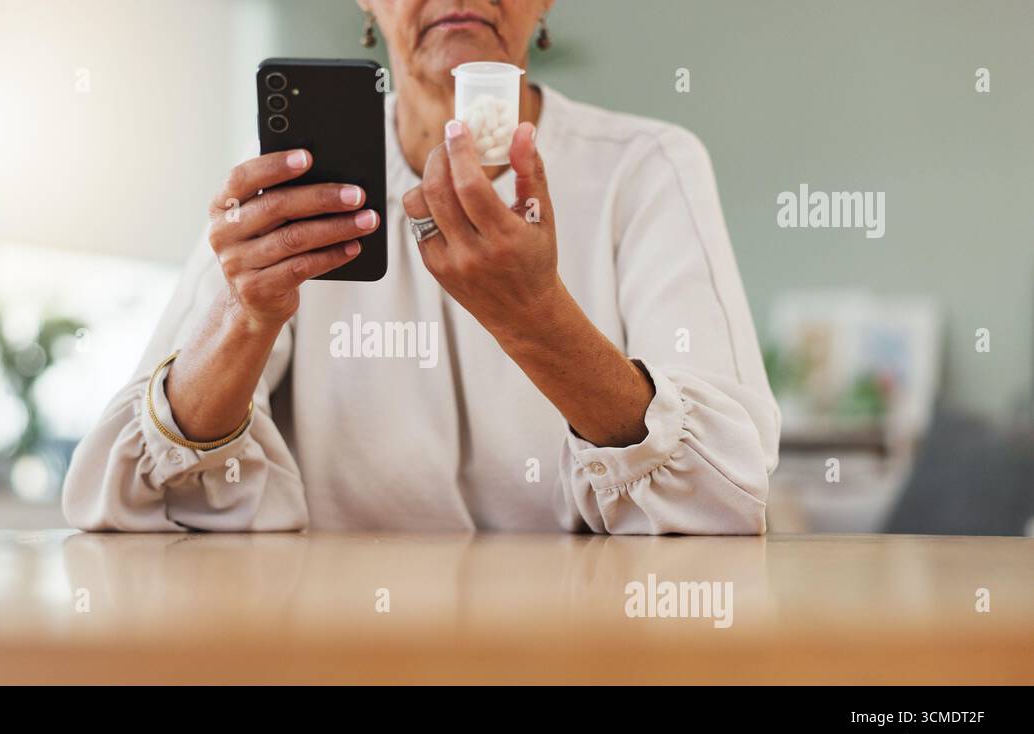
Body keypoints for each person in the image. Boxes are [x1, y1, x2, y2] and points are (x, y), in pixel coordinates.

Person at [62, 0, 780, 534]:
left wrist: (536, 318)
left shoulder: (648, 168)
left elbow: (726, 492)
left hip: (575, 642)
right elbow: (124, 496)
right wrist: (244, 315)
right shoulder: (286, 191)